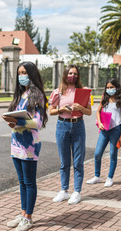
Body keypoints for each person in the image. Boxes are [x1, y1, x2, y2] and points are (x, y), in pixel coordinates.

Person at [2, 61, 48, 231]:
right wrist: (12, 122)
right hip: (16, 143)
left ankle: (28, 218)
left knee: (29, 182)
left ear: (32, 74)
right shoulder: (20, 95)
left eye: (25, 73)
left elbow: (38, 122)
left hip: (30, 145)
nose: (22, 76)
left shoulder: (38, 96)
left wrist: (18, 121)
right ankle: (22, 214)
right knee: (21, 182)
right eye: (19, 73)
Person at [49, 64, 92, 204]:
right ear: (65, 74)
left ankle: (77, 191)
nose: (72, 76)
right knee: (64, 161)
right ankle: (64, 190)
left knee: (78, 161)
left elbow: (89, 111)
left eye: (75, 74)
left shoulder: (83, 91)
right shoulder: (58, 91)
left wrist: (80, 108)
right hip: (62, 125)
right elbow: (51, 111)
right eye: (70, 73)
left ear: (78, 76)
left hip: (78, 126)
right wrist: (61, 109)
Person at [86, 79, 121, 187]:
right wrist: (99, 123)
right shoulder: (105, 97)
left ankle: (110, 177)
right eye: (107, 87)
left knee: (113, 154)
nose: (109, 90)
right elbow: (98, 111)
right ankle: (97, 176)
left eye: (111, 87)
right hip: (104, 129)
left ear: (116, 87)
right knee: (97, 153)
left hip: (116, 130)